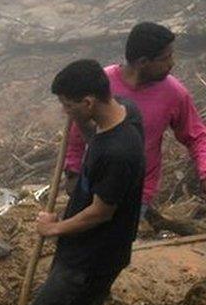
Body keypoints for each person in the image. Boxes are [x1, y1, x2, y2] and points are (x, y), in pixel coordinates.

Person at [31, 59, 145, 305]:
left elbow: (100, 212)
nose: (63, 111)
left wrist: (54, 229)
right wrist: (79, 121)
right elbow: (96, 139)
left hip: (93, 253)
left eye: (67, 104)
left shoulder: (120, 151)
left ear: (89, 101)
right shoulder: (125, 116)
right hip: (94, 248)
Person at [65, 22, 206, 210]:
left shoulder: (175, 93)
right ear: (142, 62)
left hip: (137, 190)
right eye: (166, 58)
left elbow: (196, 136)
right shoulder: (101, 83)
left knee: (117, 238)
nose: (172, 63)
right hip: (94, 180)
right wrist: (73, 170)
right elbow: (78, 128)